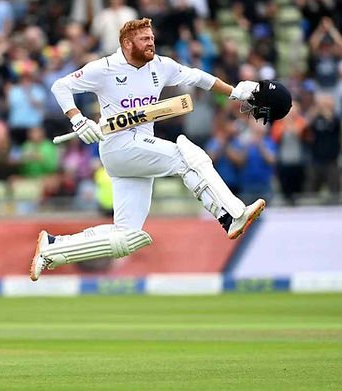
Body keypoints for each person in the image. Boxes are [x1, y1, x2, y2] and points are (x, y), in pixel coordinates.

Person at [29, 18, 291, 282]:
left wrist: (235, 92)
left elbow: (199, 78)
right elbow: (60, 85)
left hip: (137, 152)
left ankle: (53, 248)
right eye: (144, 39)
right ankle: (229, 214)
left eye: (152, 37)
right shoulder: (105, 68)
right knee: (188, 156)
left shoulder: (161, 66)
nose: (151, 42)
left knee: (127, 237)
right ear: (127, 43)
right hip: (119, 146)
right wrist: (78, 118)